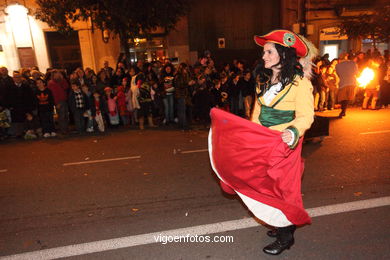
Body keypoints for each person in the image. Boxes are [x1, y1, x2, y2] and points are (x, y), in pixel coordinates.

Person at [209, 29, 316, 256]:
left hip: (284, 146)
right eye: (264, 52)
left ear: (283, 54)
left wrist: (293, 131)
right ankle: (279, 224)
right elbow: (258, 112)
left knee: (282, 190)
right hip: (263, 143)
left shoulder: (301, 84)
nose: (264, 56)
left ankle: (286, 236)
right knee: (263, 185)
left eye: (269, 51)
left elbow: (306, 116)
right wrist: (250, 135)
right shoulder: (264, 80)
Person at [335, 53, 358, 117]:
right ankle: (344, 110)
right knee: (348, 98)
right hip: (352, 82)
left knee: (343, 98)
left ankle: (343, 110)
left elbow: (338, 74)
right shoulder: (353, 63)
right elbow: (356, 72)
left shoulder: (337, 65)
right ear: (346, 57)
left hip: (343, 83)